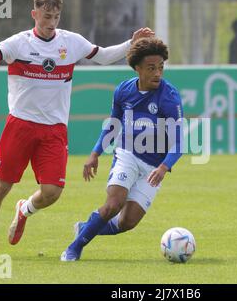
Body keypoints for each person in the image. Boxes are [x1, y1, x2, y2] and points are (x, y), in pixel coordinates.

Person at [0, 0, 154, 258]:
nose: (51, 23)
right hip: (20, 126)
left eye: (55, 18)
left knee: (52, 192)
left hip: (54, 130)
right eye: (46, 17)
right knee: (1, 187)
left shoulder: (70, 42)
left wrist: (131, 42)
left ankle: (24, 210)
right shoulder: (19, 43)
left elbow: (102, 56)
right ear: (34, 15)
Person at [60, 37, 184, 262]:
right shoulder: (124, 91)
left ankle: (86, 228)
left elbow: (179, 142)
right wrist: (96, 153)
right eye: (151, 68)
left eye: (161, 67)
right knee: (113, 205)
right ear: (137, 68)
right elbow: (113, 124)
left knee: (127, 222)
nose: (158, 73)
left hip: (154, 166)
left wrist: (164, 167)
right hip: (127, 154)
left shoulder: (170, 97)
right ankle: (74, 248)